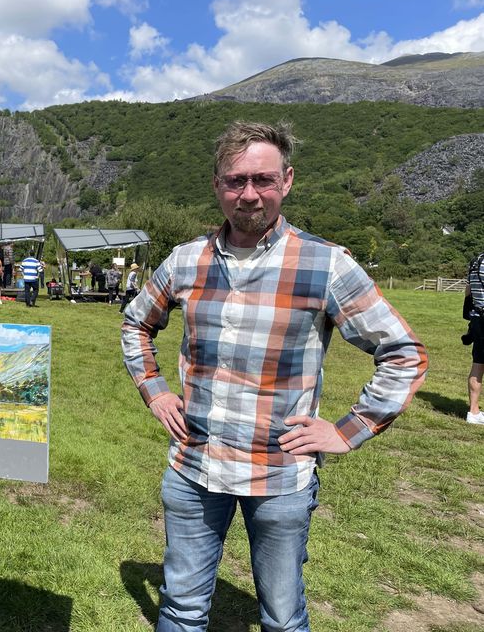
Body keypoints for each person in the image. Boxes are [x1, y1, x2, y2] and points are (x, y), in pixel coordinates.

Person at [121, 121, 428, 632]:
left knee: (283, 618)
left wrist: (348, 431)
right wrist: (154, 391)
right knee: (181, 607)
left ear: (287, 180)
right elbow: (136, 322)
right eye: (234, 180)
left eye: (261, 179)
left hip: (280, 475)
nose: (248, 194)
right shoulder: (185, 260)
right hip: (195, 468)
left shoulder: (325, 264)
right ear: (217, 185)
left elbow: (403, 352)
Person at [464, 251, 484, 425]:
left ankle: (474, 411)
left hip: (477, 317)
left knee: (478, 364)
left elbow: (468, 291)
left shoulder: (476, 261)